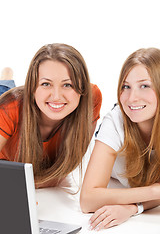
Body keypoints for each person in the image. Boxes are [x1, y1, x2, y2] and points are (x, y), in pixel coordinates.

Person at [0, 43, 102, 188]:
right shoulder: (8, 109)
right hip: (11, 107)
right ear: (32, 88)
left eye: (67, 85)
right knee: (3, 90)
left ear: (82, 90)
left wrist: (29, 184)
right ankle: (6, 77)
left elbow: (67, 167)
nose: (56, 96)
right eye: (46, 84)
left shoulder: (90, 98)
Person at [80, 47, 160, 230]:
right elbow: (87, 200)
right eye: (126, 86)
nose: (132, 98)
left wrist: (132, 208)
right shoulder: (116, 120)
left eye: (144, 86)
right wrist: (154, 190)